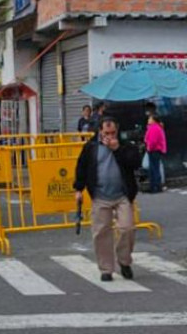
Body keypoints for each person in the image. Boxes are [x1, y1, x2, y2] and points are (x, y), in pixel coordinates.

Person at [73, 117, 142, 282]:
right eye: (106, 133)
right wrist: (78, 189)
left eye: (113, 133)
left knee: (127, 228)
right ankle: (106, 269)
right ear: (100, 131)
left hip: (122, 195)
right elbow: (81, 167)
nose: (110, 136)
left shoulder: (124, 144)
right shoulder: (91, 147)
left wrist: (117, 149)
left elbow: (135, 162)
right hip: (100, 195)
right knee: (101, 233)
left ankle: (124, 261)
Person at [144, 115, 167, 193]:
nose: (148, 120)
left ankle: (155, 187)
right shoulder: (157, 127)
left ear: (154, 120)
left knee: (154, 169)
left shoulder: (154, 128)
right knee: (155, 168)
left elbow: (153, 141)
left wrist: (149, 148)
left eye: (150, 118)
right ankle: (156, 186)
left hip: (154, 150)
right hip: (156, 150)